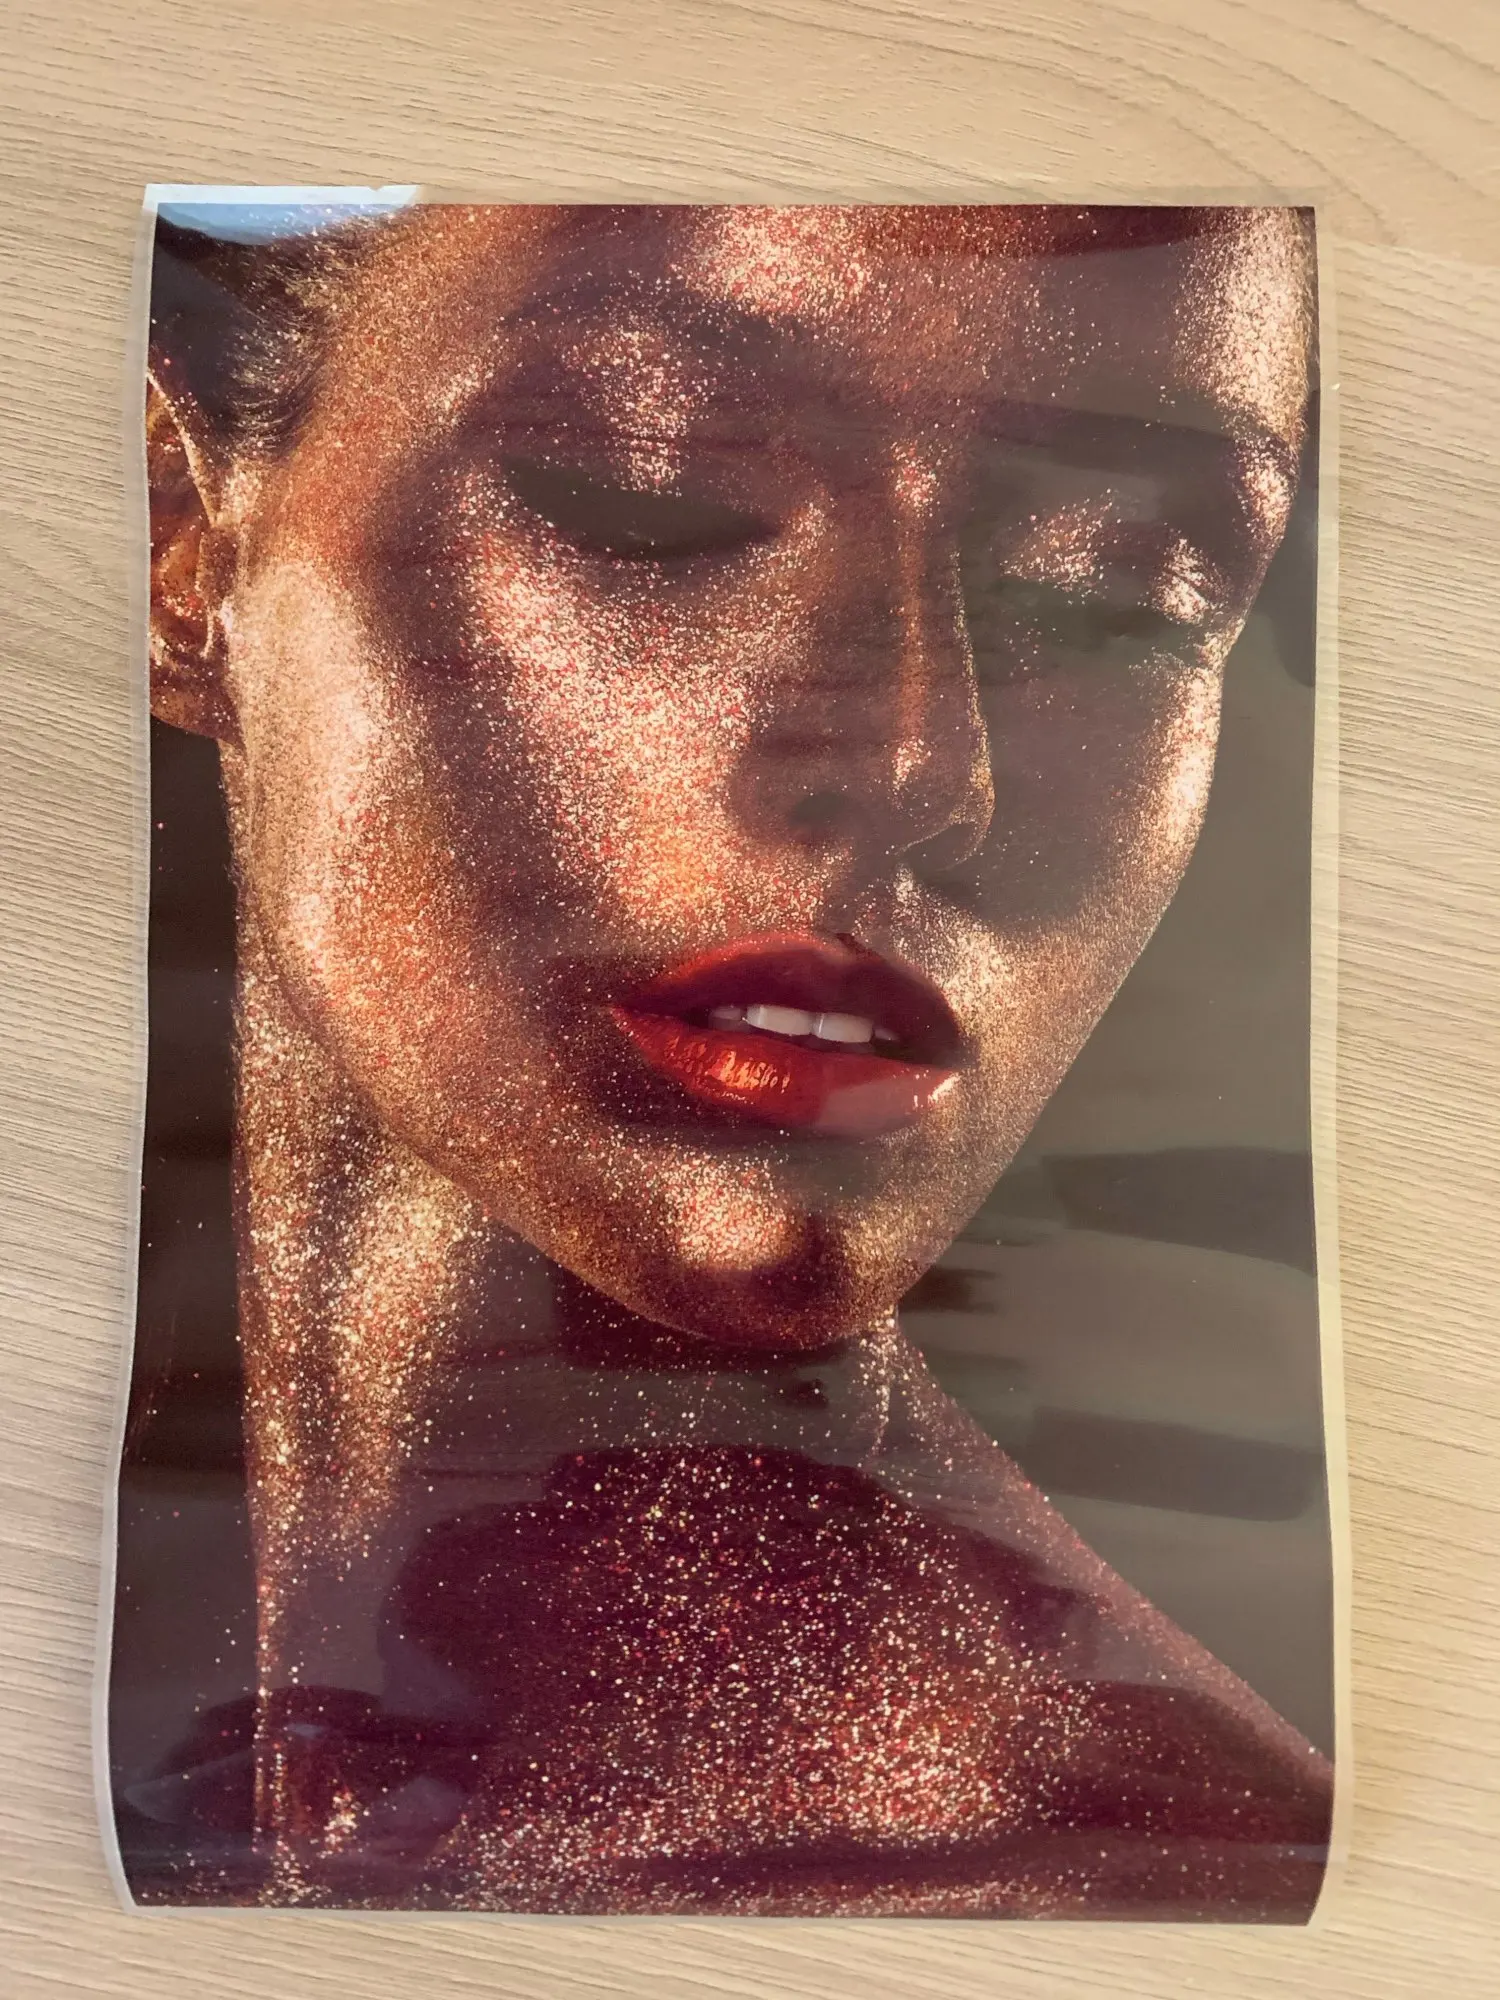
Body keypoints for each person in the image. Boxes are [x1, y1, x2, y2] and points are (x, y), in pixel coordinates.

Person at [139, 202, 1331, 1916]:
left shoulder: (1094, 1897)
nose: (920, 758)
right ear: (183, 543)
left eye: (1119, 594)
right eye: (651, 497)